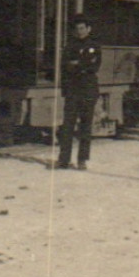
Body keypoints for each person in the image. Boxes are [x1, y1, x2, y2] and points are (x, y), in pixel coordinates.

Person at [56, 17, 103, 170]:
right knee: (67, 126)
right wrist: (82, 64)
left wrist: (77, 64)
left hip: (88, 91)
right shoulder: (69, 46)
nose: (80, 32)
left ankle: (82, 160)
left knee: (85, 126)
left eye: (82, 28)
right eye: (77, 29)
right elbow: (64, 67)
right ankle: (64, 159)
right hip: (72, 91)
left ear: (88, 29)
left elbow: (94, 66)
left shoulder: (94, 46)